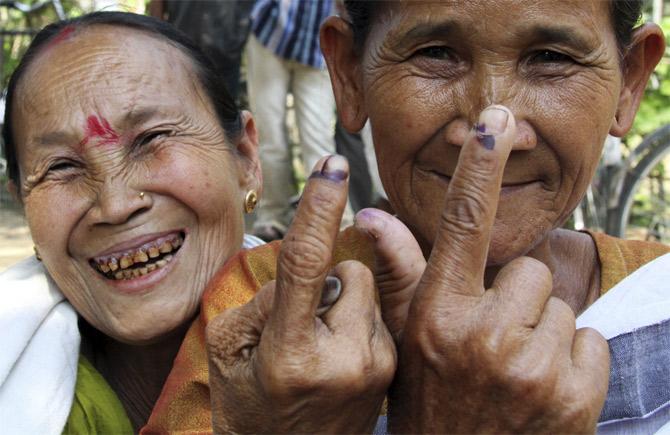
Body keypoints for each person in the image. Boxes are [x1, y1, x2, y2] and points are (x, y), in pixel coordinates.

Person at [145, 0, 670, 433]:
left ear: (629, 81)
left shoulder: (657, 294)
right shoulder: (259, 315)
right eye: (436, 53)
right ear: (349, 74)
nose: (492, 124)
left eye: (552, 58)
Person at [0, 11, 271, 433]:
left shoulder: (375, 354)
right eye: (60, 167)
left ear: (245, 158)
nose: (116, 205)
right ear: (25, 206)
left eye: (152, 139)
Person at [247, 0, 354, 241]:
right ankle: (272, 218)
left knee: (318, 139)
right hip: (272, 32)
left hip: (320, 45)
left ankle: (338, 221)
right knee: (269, 136)